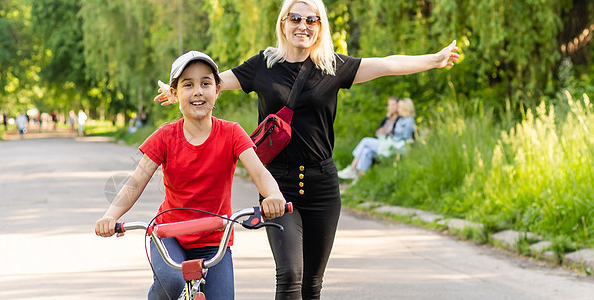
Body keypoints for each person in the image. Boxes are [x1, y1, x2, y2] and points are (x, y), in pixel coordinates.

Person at [153, 1, 460, 298]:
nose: (303, 26)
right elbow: (212, 82)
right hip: (278, 185)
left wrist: (433, 59)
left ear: (320, 26)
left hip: (322, 185)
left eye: (311, 20)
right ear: (283, 23)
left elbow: (387, 64)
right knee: (289, 275)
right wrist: (177, 87)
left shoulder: (332, 66)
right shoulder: (263, 65)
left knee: (312, 285)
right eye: (296, 19)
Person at [95, 51, 287, 299]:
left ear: (217, 90)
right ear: (174, 94)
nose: (198, 91)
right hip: (169, 236)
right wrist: (110, 217)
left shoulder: (232, 133)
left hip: (215, 238)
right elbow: (135, 183)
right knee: (172, 282)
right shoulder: (164, 137)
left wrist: (273, 195)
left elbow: (259, 172)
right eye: (188, 85)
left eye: (205, 83)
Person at [338, 97, 416, 180]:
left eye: (399, 107)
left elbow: (406, 139)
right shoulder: (400, 119)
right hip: (389, 143)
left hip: (395, 146)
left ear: (405, 108)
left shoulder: (409, 121)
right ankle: (359, 179)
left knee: (365, 141)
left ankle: (352, 168)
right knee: (366, 151)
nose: (398, 109)